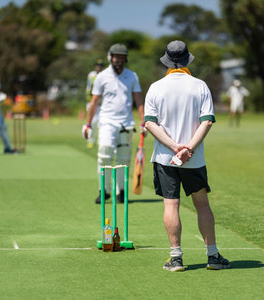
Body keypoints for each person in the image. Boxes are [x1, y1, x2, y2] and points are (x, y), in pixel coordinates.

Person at [144, 40, 230, 272]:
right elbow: (207, 121)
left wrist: (174, 147)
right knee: (202, 205)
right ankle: (212, 256)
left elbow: (149, 124)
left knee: (171, 205)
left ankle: (176, 258)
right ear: (186, 59)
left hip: (165, 158)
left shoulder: (155, 87)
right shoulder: (200, 86)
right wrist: (188, 149)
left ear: (167, 61)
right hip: (193, 158)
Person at [82, 44, 146, 204]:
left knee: (124, 158)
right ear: (110, 57)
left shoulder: (132, 76)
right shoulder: (101, 77)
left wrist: (144, 121)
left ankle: (121, 191)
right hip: (107, 121)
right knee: (105, 154)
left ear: (126, 58)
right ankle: (104, 190)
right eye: (116, 56)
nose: (118, 60)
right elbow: (94, 101)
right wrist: (88, 124)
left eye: (122, 57)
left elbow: (138, 99)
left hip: (126, 122)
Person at [85, 59, 105, 149]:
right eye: (97, 65)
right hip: (92, 102)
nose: (99, 67)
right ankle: (90, 141)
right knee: (92, 122)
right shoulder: (91, 75)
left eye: (100, 66)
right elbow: (89, 88)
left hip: (102, 103)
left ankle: (100, 141)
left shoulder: (105, 75)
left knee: (101, 123)